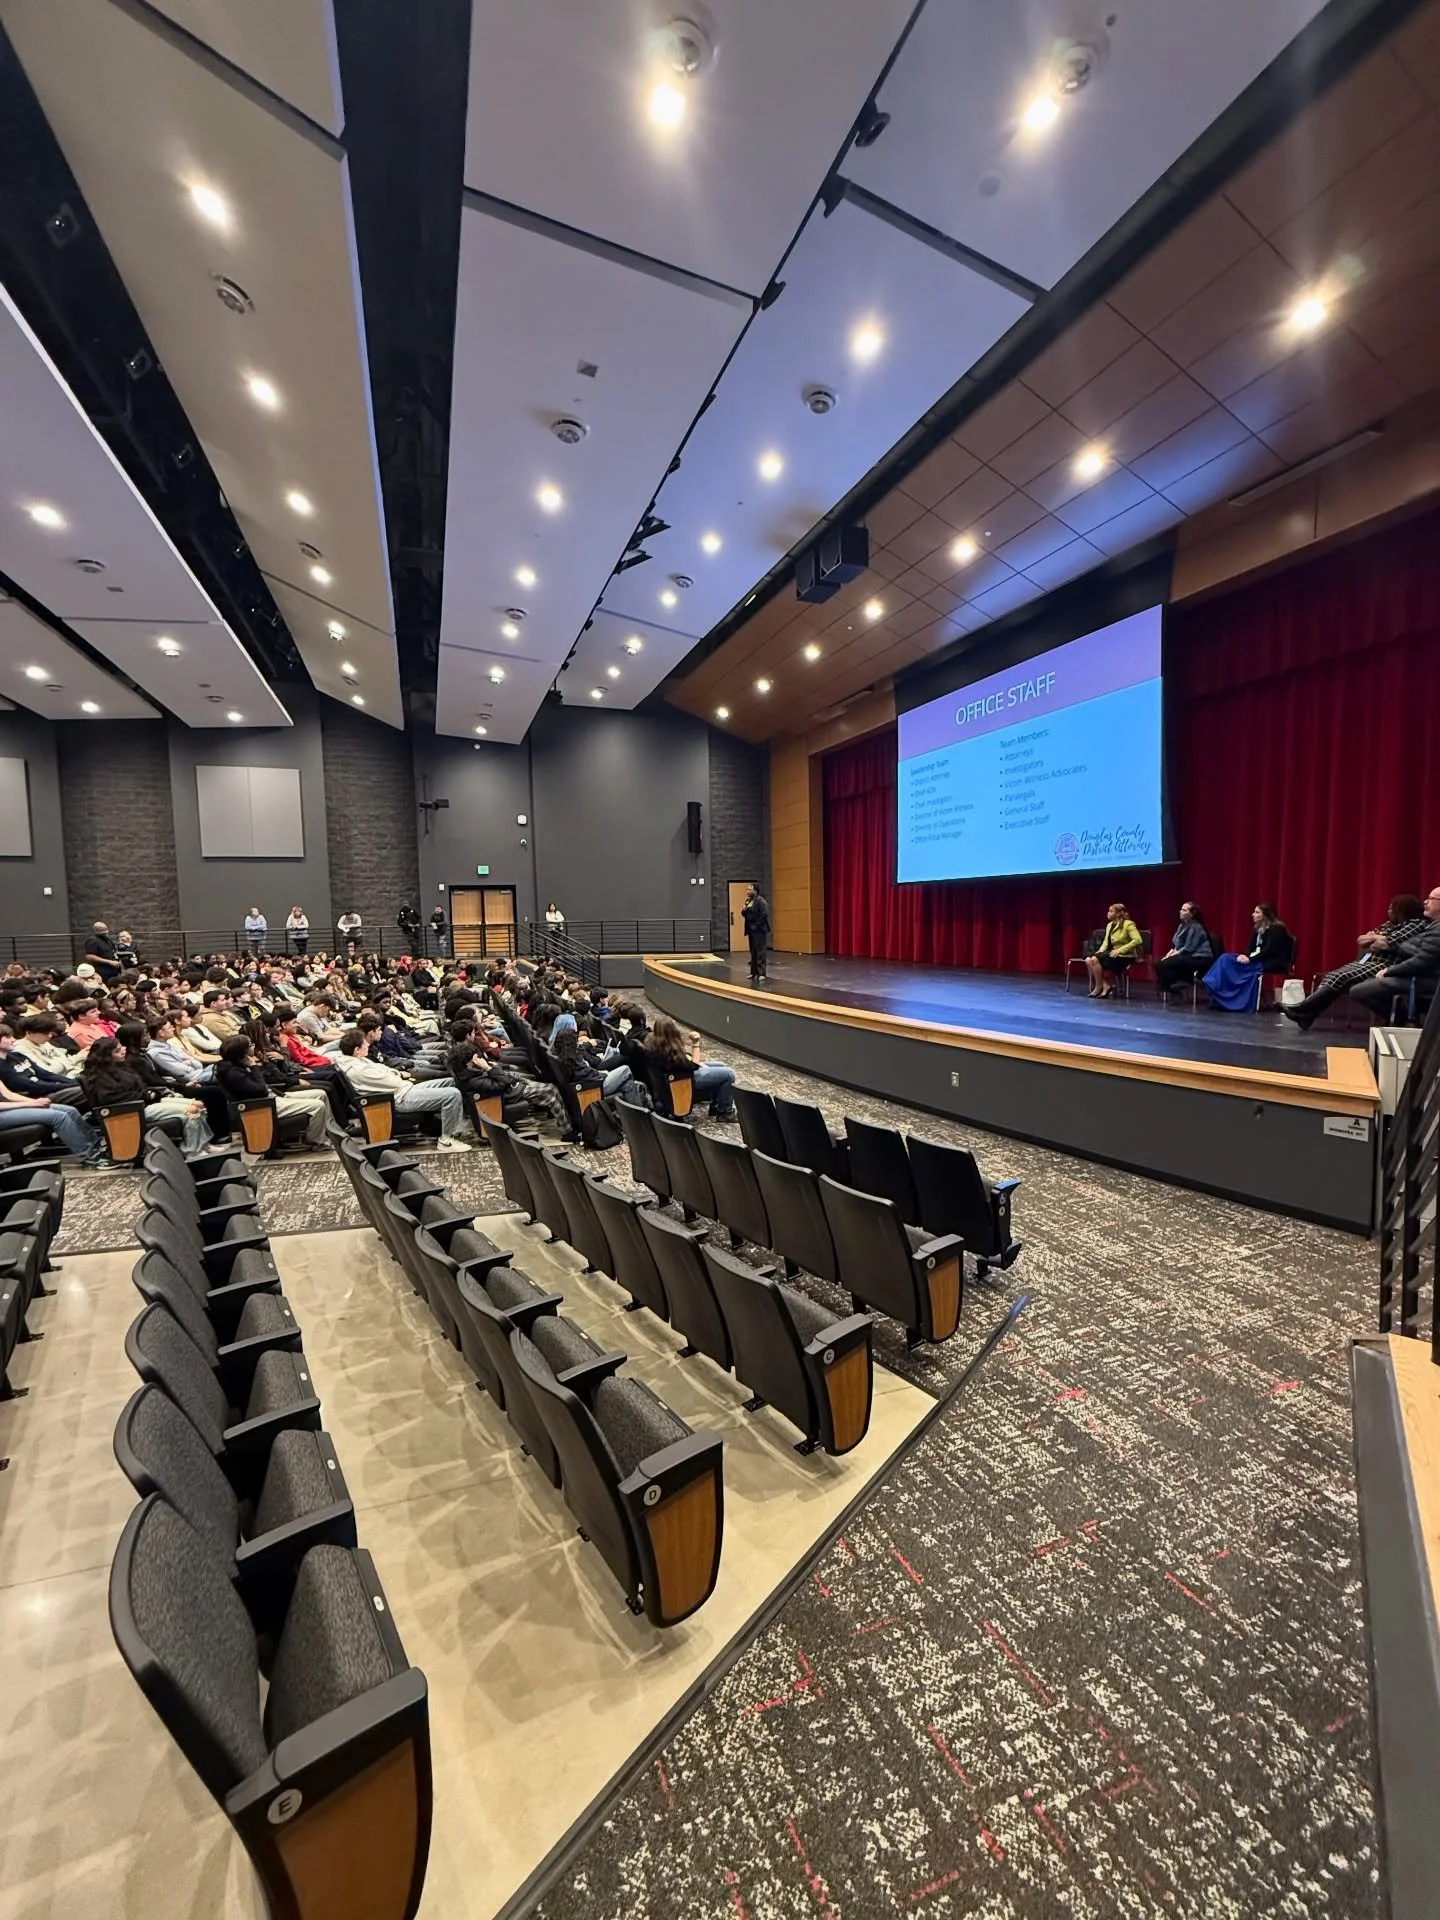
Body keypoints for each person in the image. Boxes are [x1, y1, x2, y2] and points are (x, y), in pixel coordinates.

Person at [1282, 894, 1427, 1030]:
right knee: (1333, 976)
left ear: (1402, 910)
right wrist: (1377, 939)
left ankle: (1303, 1011)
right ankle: (1305, 1014)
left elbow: (1385, 943)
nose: (1388, 911)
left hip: (1385, 965)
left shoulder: (1415, 924)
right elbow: (1362, 940)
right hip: (1367, 962)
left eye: (1392, 908)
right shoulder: (1390, 925)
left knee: (1340, 977)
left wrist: (1377, 939)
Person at [334, 1028, 468, 1148]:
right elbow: (394, 1082)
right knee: (452, 1094)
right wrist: (397, 1074)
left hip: (403, 1090)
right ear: (356, 1050)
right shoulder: (359, 1070)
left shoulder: (359, 1060)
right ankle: (447, 1140)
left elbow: (386, 1070)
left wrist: (395, 1073)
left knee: (450, 1082)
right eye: (364, 1043)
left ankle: (449, 1125)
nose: (368, 1044)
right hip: (399, 1098)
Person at [80, 1033, 212, 1154]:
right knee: (192, 1110)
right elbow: (110, 1099)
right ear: (107, 1057)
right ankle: (193, 1151)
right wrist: (146, 1095)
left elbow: (139, 1086)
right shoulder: (100, 1077)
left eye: (122, 1047)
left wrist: (150, 1093)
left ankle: (204, 1144)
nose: (124, 1050)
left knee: (198, 1104)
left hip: (145, 1102)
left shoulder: (121, 1066)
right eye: (117, 1051)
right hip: (134, 1110)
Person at [216, 1034, 331, 1148]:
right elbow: (261, 1090)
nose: (253, 1046)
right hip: (263, 1106)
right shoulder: (234, 1073)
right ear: (242, 1051)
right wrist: (254, 1067)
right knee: (317, 1106)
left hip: (272, 1097)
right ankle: (317, 1141)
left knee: (321, 1094)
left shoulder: (240, 1064)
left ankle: (329, 1132)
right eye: (250, 1045)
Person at [1347, 885, 1440, 1024]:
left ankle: (1401, 1019)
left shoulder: (1435, 929)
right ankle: (1403, 1019)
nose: (1426, 902)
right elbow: (1413, 949)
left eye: (1431, 898)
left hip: (1426, 980)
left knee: (1359, 989)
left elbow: (1421, 960)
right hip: (1413, 975)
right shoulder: (1430, 925)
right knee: (1356, 982)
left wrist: (1389, 970)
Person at [0, 1056, 103, 1164]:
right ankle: (90, 1156)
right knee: (59, 1117)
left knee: (69, 1110)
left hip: (9, 1107)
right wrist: (29, 1104)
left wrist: (35, 1102)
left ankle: (96, 1146)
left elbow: (8, 1095)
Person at [1202, 903, 1295, 1012]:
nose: (1253, 914)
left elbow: (1269, 950)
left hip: (1271, 961)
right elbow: (1250, 947)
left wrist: (1250, 959)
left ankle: (1234, 1001)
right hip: (1256, 959)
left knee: (1234, 965)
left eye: (1257, 912)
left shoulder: (1276, 929)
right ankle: (1214, 987)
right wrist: (1245, 956)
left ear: (1265, 915)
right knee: (1225, 958)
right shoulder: (1257, 928)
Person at [645, 1016, 736, 1118]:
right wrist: (696, 1043)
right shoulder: (670, 1054)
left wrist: (688, 1058)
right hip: (683, 1082)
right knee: (729, 1074)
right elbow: (694, 1065)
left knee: (720, 1065)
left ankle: (716, 1106)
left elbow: (682, 1061)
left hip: (673, 1080)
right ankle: (725, 1113)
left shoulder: (654, 1045)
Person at [1084, 903, 1144, 999]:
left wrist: (1120, 950)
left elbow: (1138, 940)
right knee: (1088, 959)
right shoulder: (1109, 925)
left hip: (1125, 956)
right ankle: (1104, 985)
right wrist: (1100, 952)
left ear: (1118, 913)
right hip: (1112, 954)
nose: (1107, 913)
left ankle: (1099, 987)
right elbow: (1106, 942)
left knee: (1094, 959)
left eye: (1111, 911)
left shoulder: (1128, 924)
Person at [1153, 903, 1214, 996]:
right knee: (1158, 962)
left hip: (1199, 957)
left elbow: (1189, 948)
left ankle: (1178, 983)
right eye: (1181, 909)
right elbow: (1176, 945)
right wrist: (1168, 955)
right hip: (1186, 955)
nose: (1180, 911)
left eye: (1184, 910)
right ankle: (1172, 986)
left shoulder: (1196, 927)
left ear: (1192, 914)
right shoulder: (1182, 926)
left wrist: (1170, 957)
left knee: (1166, 963)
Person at [742, 886, 771, 984]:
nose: (747, 891)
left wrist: (757, 924)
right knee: (753, 951)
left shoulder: (760, 901)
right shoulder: (748, 901)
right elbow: (745, 914)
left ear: (755, 890)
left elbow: (764, 914)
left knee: (760, 951)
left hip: (759, 930)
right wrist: (744, 910)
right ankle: (754, 972)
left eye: (749, 889)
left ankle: (762, 973)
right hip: (751, 930)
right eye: (747, 889)